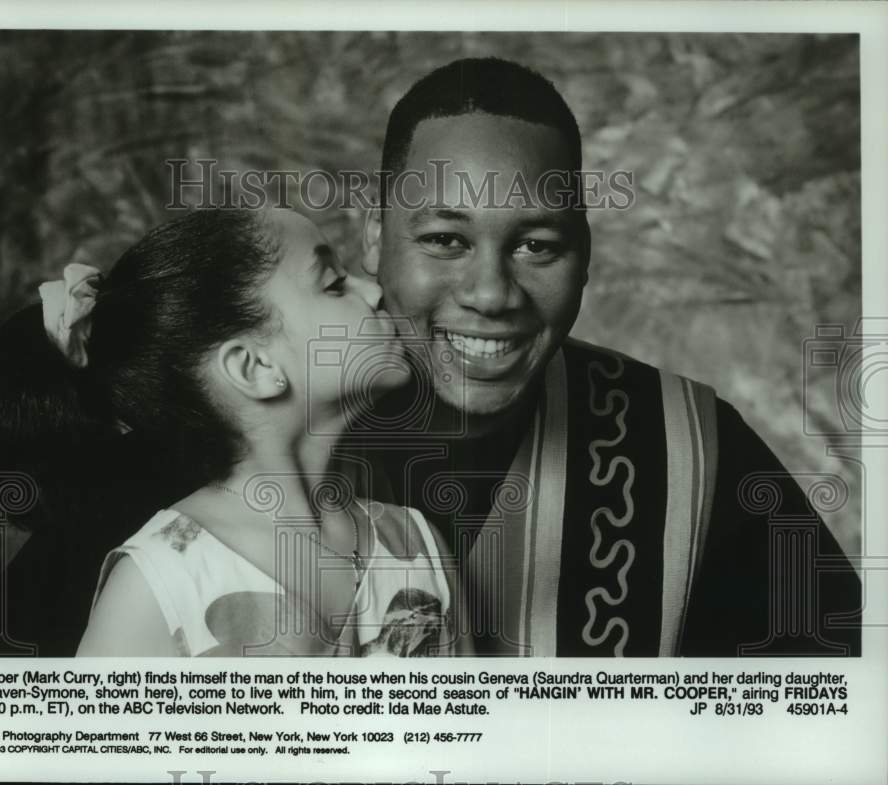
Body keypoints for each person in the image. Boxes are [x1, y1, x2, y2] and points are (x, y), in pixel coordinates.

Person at [351, 57, 862, 656]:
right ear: (374, 236)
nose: (490, 294)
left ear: (584, 254)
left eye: (537, 246)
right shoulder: (250, 425)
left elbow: (841, 705)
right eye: (444, 240)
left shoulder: (688, 445)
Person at [0, 207, 467, 657]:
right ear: (253, 366)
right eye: (334, 283)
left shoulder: (418, 541)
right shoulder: (158, 584)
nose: (374, 289)